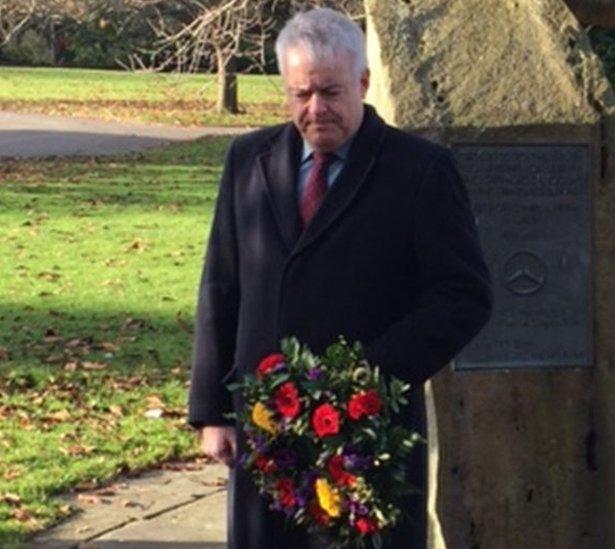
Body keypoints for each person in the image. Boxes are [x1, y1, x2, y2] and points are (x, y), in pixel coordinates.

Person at [186, 7, 492, 548]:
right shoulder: (247, 160)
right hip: (266, 429)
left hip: (369, 435)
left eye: (330, 92)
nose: (316, 109)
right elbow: (221, 287)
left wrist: (369, 377)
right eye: (301, 94)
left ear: (364, 83)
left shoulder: (420, 170)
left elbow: (463, 296)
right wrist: (211, 411)